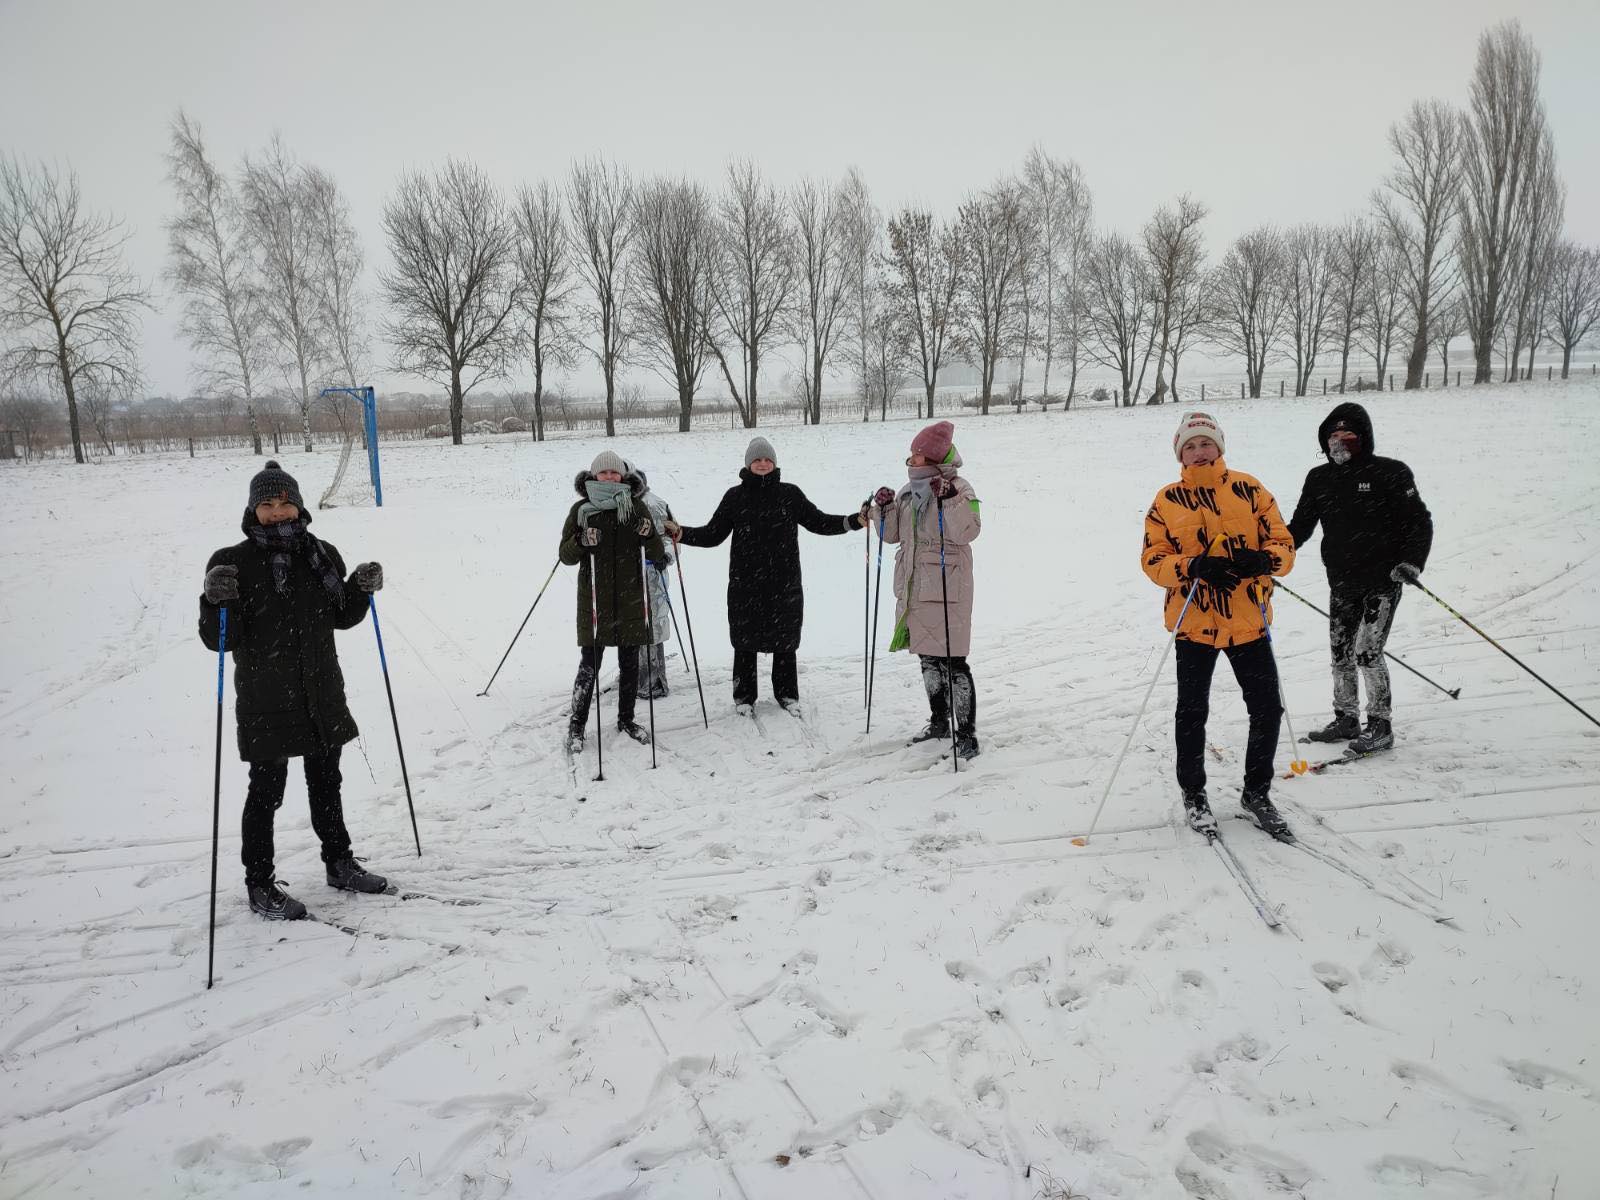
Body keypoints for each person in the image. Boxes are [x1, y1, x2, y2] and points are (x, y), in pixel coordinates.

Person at [198, 460, 388, 921]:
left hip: (320, 692)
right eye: (268, 504)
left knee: (328, 784)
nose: (278, 512)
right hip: (267, 699)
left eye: (285, 503)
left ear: (299, 505)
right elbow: (220, 639)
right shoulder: (232, 562)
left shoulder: (320, 553)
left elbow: (340, 614)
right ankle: (259, 883)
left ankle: (339, 863)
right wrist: (212, 600)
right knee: (266, 792)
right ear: (253, 510)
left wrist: (361, 589)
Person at [1141, 412, 1297, 839]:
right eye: (1189, 446)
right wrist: (1193, 566)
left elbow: (1283, 542)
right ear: (1180, 452)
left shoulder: (1249, 488)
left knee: (1267, 708)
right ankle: (1194, 794)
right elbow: (1152, 561)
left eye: (1205, 443)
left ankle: (1257, 793)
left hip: (1249, 620)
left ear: (1219, 446)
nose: (1198, 451)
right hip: (1195, 623)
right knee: (1192, 713)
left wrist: (1265, 561)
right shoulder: (1167, 500)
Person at [665, 436, 865, 713]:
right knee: (744, 641)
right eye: (757, 459)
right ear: (748, 463)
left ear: (774, 463)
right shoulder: (735, 497)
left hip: (784, 582)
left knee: (785, 641)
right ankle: (744, 698)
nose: (762, 463)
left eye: (767, 459)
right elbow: (713, 534)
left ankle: (787, 695)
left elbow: (819, 522)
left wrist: (853, 521)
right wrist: (681, 533)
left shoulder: (790, 494)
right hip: (745, 584)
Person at [1287, 401, 1433, 755]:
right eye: (1333, 436)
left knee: (1367, 651)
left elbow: (1419, 521)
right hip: (1341, 580)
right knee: (1340, 652)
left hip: (1383, 580)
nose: (1340, 441)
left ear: (1363, 437)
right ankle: (1346, 717)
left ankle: (1380, 725)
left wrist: (1411, 563)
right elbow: (1299, 527)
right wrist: (1270, 553)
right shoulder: (1319, 478)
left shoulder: (1391, 473)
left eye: (1348, 434)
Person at [869, 420, 983, 760]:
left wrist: (949, 500)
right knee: (927, 658)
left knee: (954, 663)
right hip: (915, 587)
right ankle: (938, 721)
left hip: (948, 588)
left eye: (917, 455)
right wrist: (885, 509)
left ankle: (967, 735)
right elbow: (891, 536)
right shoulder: (907, 492)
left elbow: (969, 531)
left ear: (932, 458)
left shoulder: (961, 489)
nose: (911, 460)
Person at [559, 451, 667, 751]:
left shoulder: (636, 507)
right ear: (593, 477)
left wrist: (648, 534)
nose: (609, 478)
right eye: (603, 473)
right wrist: (581, 541)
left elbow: (657, 554)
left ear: (623, 476)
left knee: (630, 664)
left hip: (631, 598)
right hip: (596, 600)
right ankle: (577, 725)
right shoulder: (582, 511)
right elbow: (565, 556)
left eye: (614, 473)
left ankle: (627, 719)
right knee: (589, 664)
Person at [630, 464, 674, 701]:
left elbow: (670, 537)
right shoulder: (617, 503)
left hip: (650, 575)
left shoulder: (654, 504)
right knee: (631, 626)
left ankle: (654, 680)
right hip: (625, 576)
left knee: (650, 625)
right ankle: (634, 673)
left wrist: (665, 556)